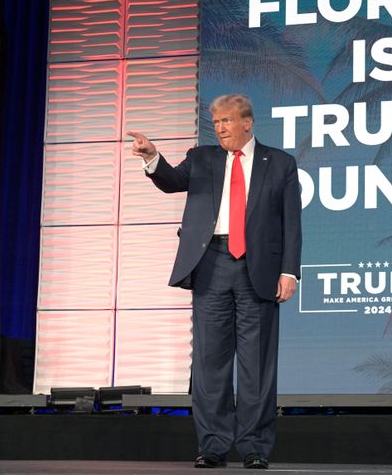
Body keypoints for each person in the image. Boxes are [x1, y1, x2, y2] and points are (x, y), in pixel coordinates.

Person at [127, 94, 302, 469]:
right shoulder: (202, 157)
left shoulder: (280, 163)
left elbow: (291, 222)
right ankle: (213, 445)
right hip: (211, 265)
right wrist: (151, 157)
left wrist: (289, 271)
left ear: (247, 123)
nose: (220, 128)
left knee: (257, 365)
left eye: (226, 121)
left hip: (259, 268)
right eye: (216, 122)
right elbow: (172, 181)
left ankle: (254, 447)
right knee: (210, 362)